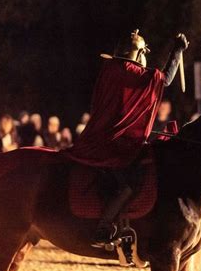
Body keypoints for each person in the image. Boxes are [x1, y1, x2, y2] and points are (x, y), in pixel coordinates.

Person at [63, 29, 189, 247]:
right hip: (113, 143)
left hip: (101, 136)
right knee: (128, 184)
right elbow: (164, 79)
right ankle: (103, 227)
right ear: (139, 53)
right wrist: (177, 50)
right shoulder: (128, 71)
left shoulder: (109, 69)